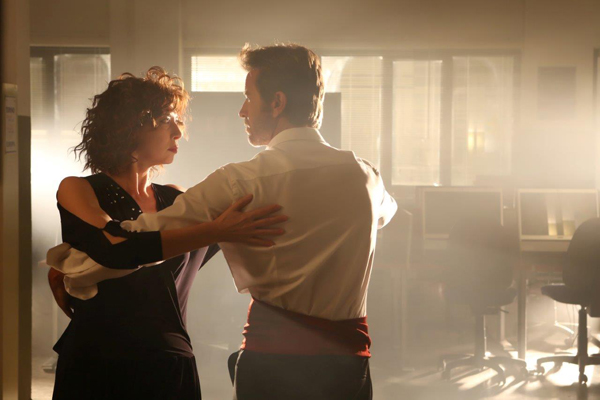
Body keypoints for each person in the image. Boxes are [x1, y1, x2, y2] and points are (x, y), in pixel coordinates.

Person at [50, 44, 397, 400]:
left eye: (249, 98)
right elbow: (385, 214)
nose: (243, 110)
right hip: (349, 364)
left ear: (277, 103)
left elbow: (133, 242)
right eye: (168, 121)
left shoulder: (238, 183)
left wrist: (74, 264)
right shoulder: (366, 177)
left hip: (258, 363)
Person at [47, 67, 287, 400]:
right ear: (129, 127)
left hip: (170, 362)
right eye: (165, 121)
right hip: (98, 360)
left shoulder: (177, 199)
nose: (178, 132)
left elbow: (230, 232)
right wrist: (214, 230)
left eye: (178, 121)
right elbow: (116, 248)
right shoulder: (78, 188)